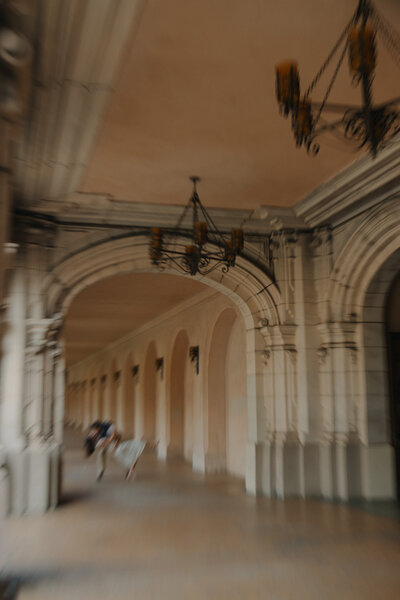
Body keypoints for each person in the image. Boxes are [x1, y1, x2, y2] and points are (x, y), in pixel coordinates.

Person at [84, 420, 156, 481]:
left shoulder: (108, 428)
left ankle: (128, 470)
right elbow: (92, 441)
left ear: (99, 428)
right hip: (105, 444)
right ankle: (101, 470)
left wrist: (116, 441)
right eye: (93, 431)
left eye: (94, 430)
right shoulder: (93, 435)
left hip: (111, 443)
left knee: (122, 455)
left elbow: (118, 436)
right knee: (101, 454)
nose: (93, 432)